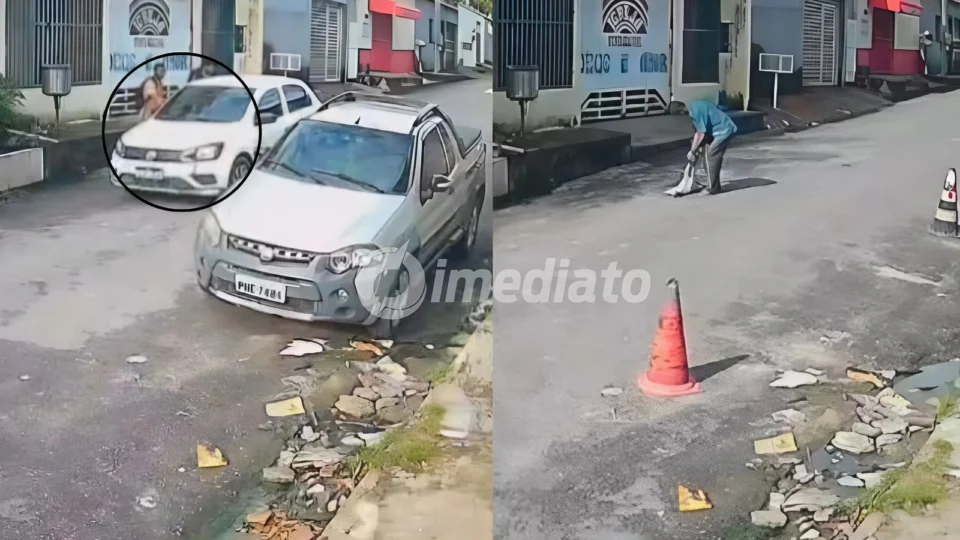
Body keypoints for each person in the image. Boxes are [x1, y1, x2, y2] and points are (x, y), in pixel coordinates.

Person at [672, 100, 737, 195]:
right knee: (706, 157)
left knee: (712, 155)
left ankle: (713, 188)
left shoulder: (695, 112)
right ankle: (713, 184)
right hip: (715, 130)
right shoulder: (694, 106)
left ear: (681, 111)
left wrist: (692, 151)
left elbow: (700, 133)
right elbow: (698, 131)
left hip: (723, 129)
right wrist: (695, 148)